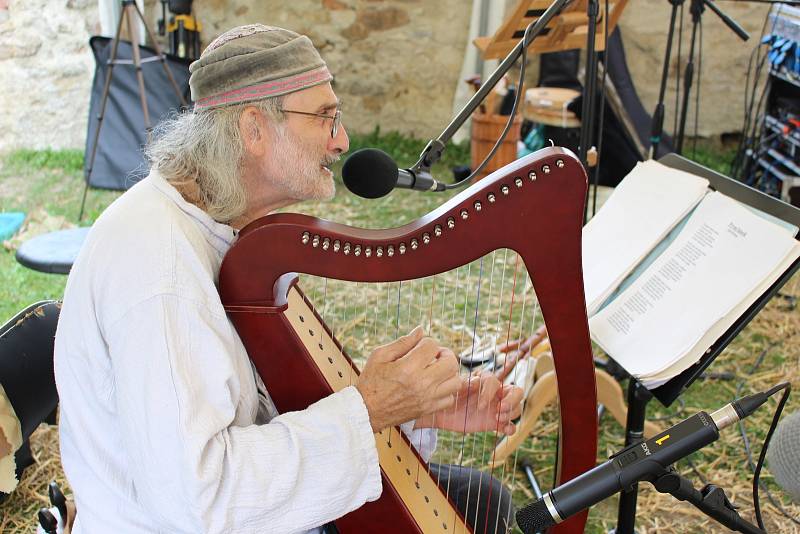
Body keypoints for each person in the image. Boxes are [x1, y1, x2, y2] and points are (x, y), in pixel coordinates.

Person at [55, 24, 523, 533]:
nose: (342, 139)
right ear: (253, 128)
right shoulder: (161, 272)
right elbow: (198, 500)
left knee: (484, 501)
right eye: (325, 117)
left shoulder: (226, 225)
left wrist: (412, 411)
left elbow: (258, 406)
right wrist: (370, 409)